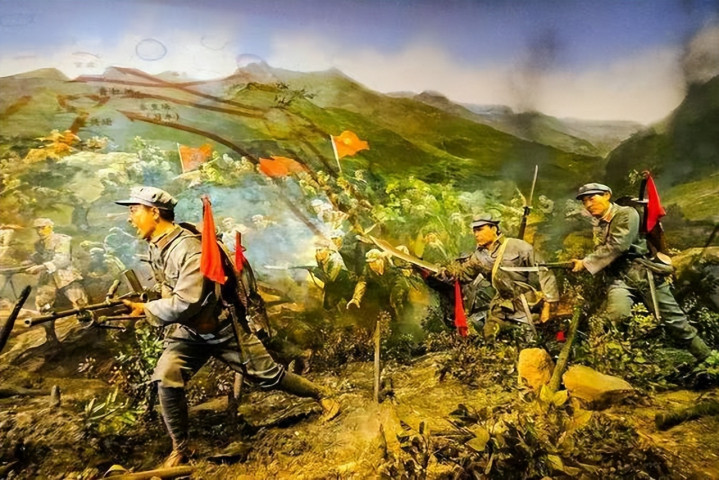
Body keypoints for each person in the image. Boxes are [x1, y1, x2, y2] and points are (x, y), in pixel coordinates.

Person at [115, 186, 339, 467]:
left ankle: (322, 394)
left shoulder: (188, 249)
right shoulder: (158, 246)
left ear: (155, 213)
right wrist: (146, 302)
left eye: (134, 210)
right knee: (166, 377)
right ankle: (180, 448)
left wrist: (147, 309)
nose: (130, 217)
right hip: (189, 331)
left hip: (222, 328)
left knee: (268, 376)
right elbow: (168, 288)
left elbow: (187, 301)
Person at [570, 183, 713, 361]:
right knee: (616, 317)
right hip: (618, 279)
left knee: (675, 322)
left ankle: (709, 360)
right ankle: (619, 362)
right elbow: (603, 249)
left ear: (607, 195)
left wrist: (585, 263)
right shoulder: (599, 224)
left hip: (644, 275)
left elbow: (618, 246)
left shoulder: (626, 214)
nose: (588, 205)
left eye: (592, 198)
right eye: (584, 201)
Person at [439, 215, 559, 340]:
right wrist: (442, 273)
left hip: (525, 305)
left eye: (480, 229)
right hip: (501, 306)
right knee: (489, 336)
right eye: (474, 231)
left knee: (530, 340)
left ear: (494, 229)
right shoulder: (478, 256)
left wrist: (548, 304)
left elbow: (544, 271)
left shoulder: (518, 246)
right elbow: (462, 275)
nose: (476, 234)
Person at [26, 218, 89, 344]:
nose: (40, 231)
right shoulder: (38, 244)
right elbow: (41, 258)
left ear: (50, 227)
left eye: (43, 227)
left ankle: (89, 330)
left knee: (80, 303)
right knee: (43, 305)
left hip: (66, 275)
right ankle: (51, 338)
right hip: (48, 277)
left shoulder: (62, 240)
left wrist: (40, 267)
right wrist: (30, 263)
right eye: (37, 228)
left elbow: (62, 260)